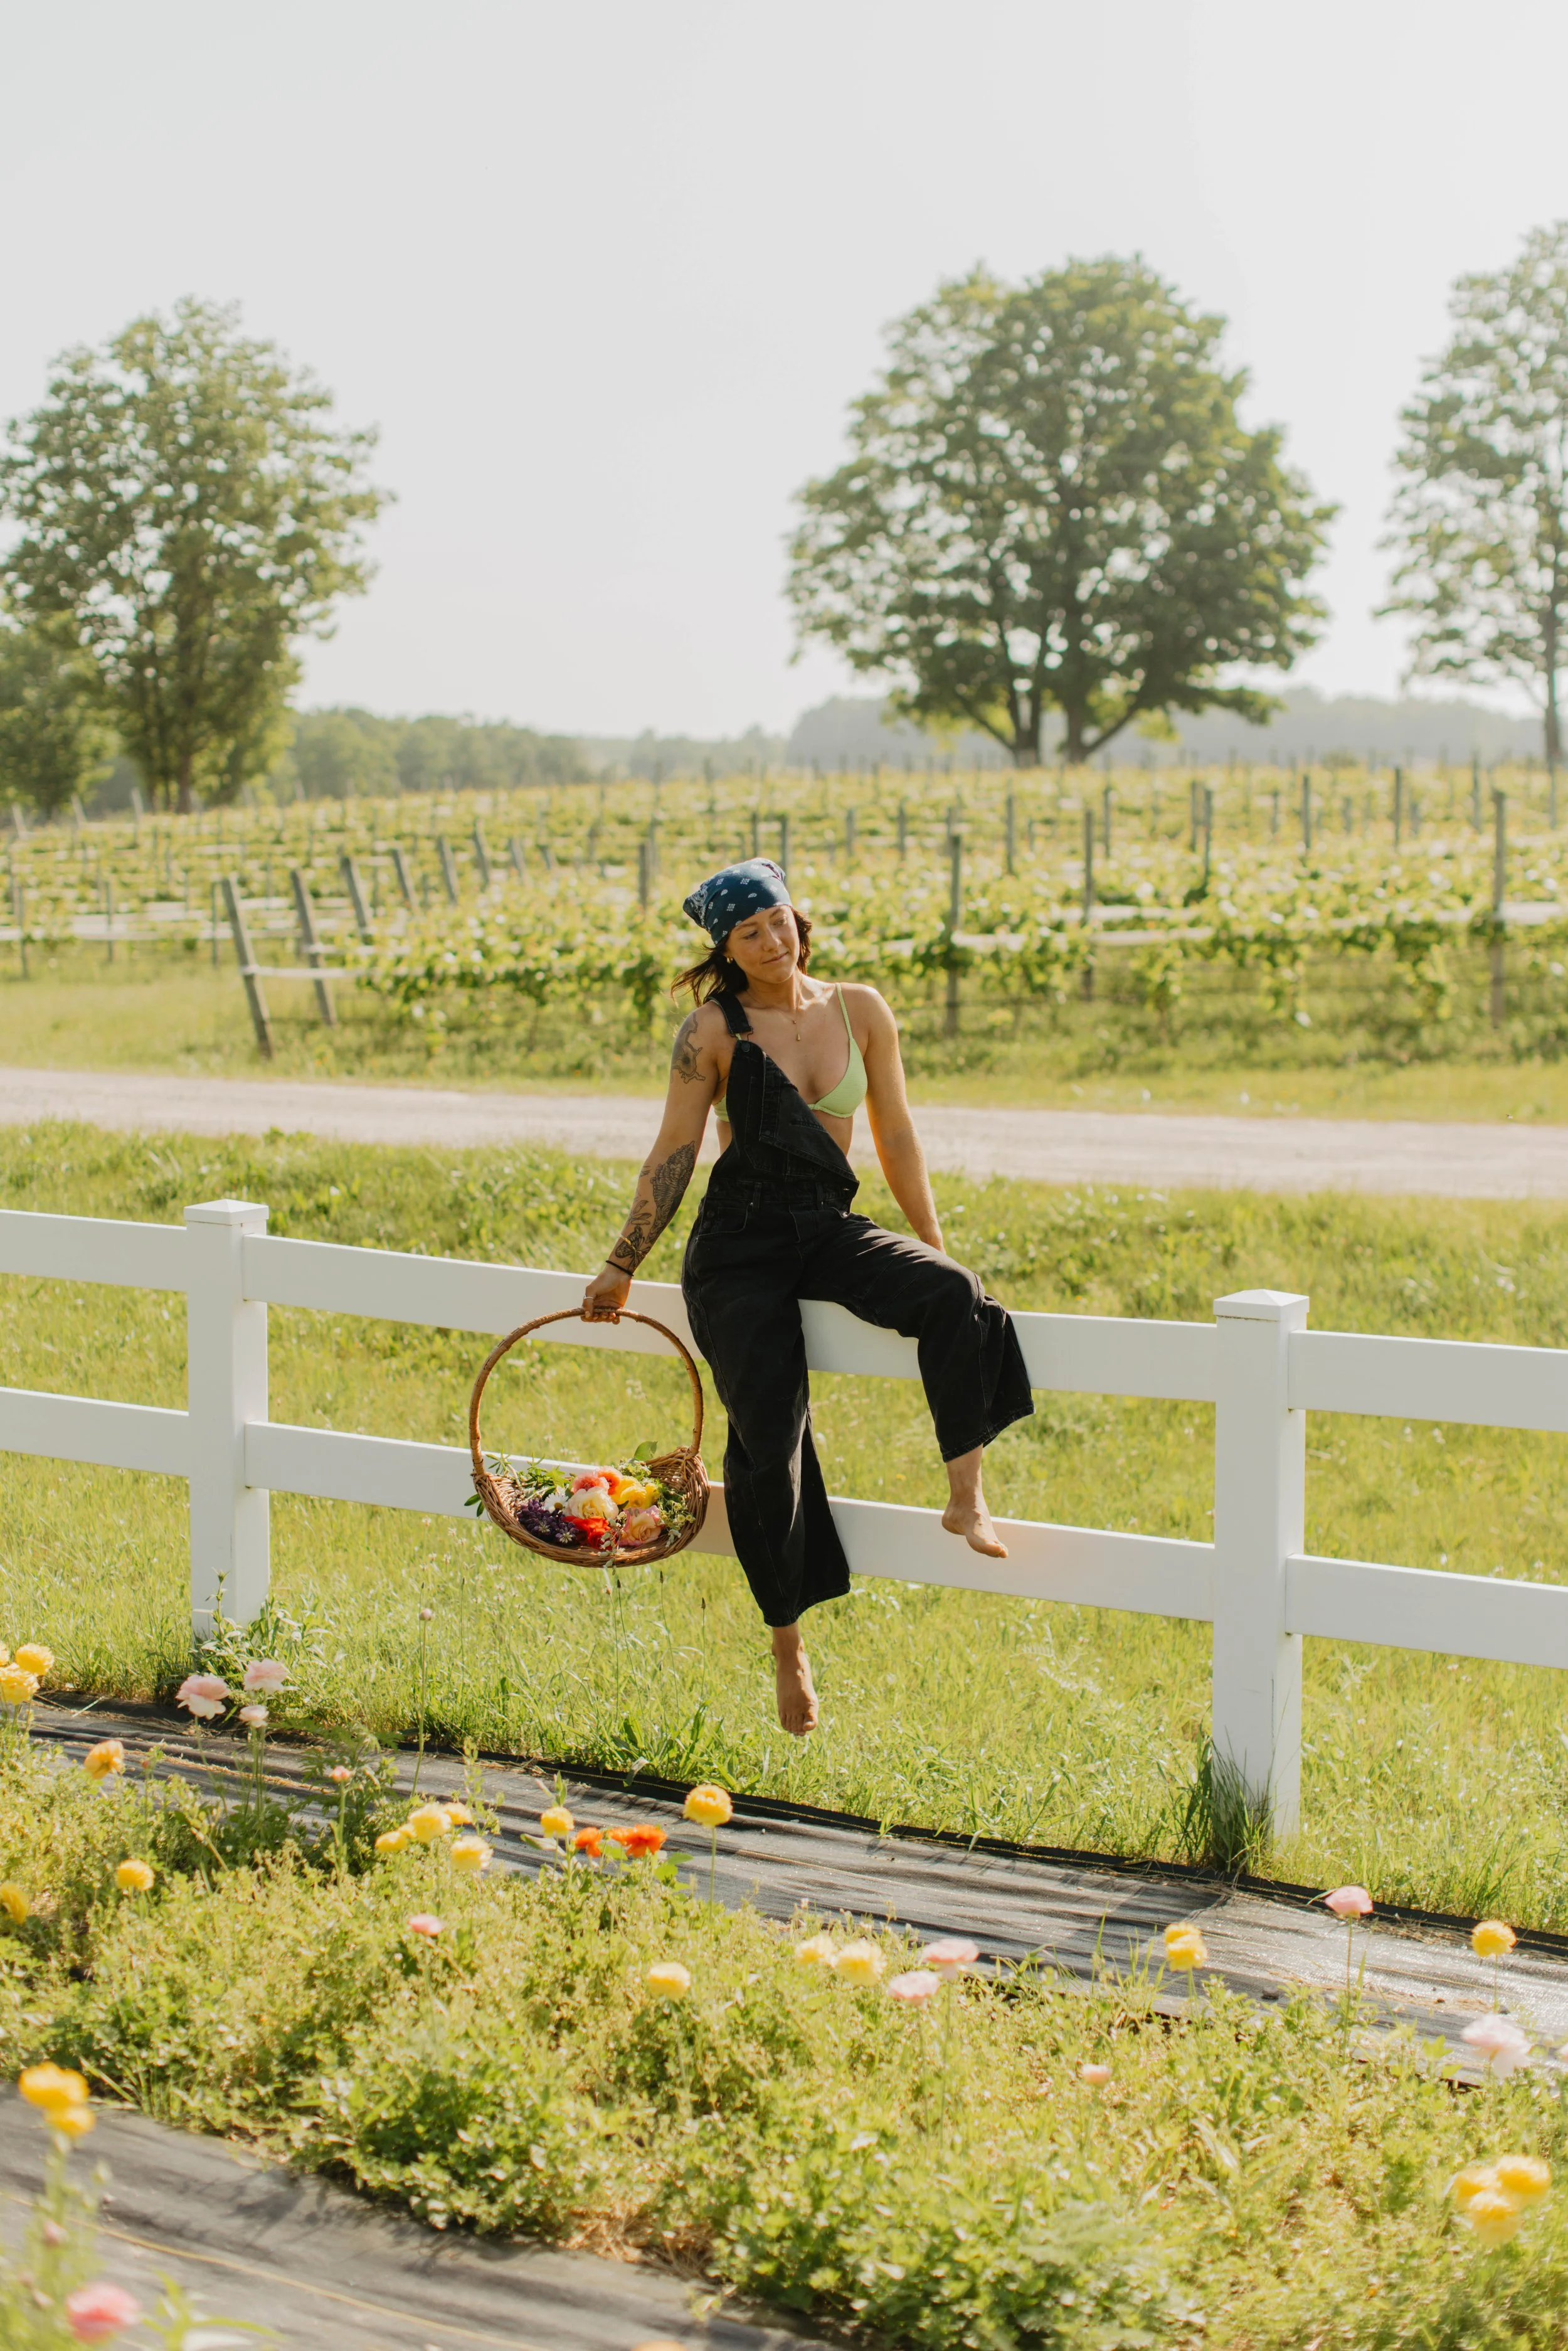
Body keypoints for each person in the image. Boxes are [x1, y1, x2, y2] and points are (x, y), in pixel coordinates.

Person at [581, 857, 1034, 1736]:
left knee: (957, 1298)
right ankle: (789, 1648)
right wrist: (623, 1260)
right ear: (726, 947)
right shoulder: (711, 1031)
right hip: (738, 1245)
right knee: (770, 1435)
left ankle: (965, 1496)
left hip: (825, 1223)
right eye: (748, 932)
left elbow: (895, 1131)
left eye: (778, 920)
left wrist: (928, 1246)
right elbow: (673, 1151)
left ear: (799, 919)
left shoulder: (859, 1009)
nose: (771, 940)